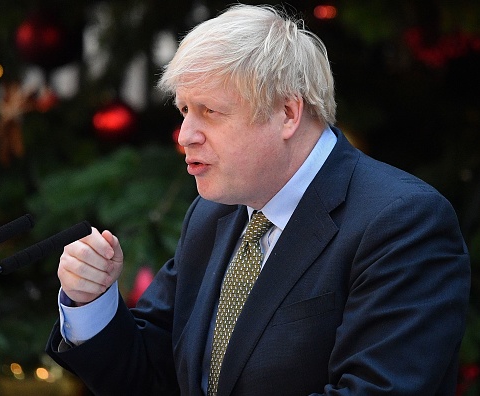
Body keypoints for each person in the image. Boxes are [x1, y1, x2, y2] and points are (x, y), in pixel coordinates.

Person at [46, 4, 470, 395]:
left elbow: (378, 388)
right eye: (183, 111)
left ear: (288, 113)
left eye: (210, 111)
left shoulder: (402, 221)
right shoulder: (214, 213)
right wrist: (91, 301)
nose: (185, 136)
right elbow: (154, 374)